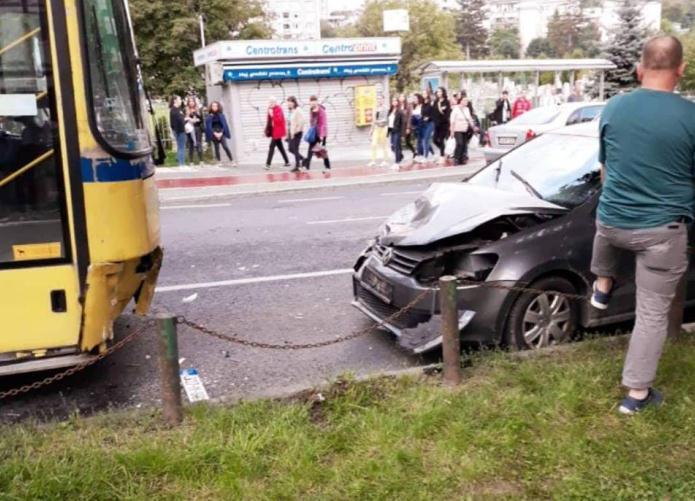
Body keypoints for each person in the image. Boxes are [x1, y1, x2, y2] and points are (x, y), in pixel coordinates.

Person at [590, 35, 695, 415]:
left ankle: (602, 283)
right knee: (651, 316)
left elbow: (606, 168)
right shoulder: (690, 117)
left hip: (612, 222)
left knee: (605, 221)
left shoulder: (615, 107)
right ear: (680, 71)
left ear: (639, 68)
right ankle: (636, 396)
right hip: (661, 234)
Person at [204, 101, 235, 166]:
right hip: (213, 132)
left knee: (225, 146)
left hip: (221, 132)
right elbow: (208, 126)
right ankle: (219, 161)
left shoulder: (221, 115)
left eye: (216, 106)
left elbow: (224, 125)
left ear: (218, 107)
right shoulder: (209, 116)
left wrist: (221, 133)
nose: (214, 107)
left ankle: (232, 160)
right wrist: (214, 133)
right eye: (213, 106)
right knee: (216, 147)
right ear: (211, 107)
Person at [304, 96, 331, 171]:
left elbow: (323, 123)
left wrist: (322, 136)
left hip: (322, 133)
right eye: (311, 101)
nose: (312, 103)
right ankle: (307, 167)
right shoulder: (311, 110)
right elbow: (312, 122)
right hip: (315, 133)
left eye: (314, 101)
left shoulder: (321, 110)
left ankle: (327, 166)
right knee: (311, 149)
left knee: (321, 150)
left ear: (317, 102)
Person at [264, 97, 290, 170]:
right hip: (273, 131)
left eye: (272, 102)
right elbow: (269, 121)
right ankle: (287, 162)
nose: (271, 103)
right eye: (270, 102)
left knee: (271, 146)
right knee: (280, 147)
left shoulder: (279, 109)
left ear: (275, 102)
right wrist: (266, 131)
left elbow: (279, 120)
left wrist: (272, 114)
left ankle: (268, 164)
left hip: (278, 131)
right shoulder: (270, 109)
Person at [450, 95, 474, 166]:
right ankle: (456, 158)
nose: (466, 102)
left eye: (467, 100)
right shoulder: (456, 109)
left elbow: (469, 118)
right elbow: (452, 121)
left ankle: (461, 159)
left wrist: (473, 126)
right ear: (460, 101)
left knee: (464, 144)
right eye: (464, 100)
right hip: (457, 129)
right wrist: (452, 131)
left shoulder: (467, 109)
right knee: (459, 143)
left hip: (465, 129)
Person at [369, 97, 390, 167]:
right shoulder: (375, 109)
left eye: (380, 99)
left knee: (384, 145)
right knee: (373, 144)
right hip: (376, 128)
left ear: (383, 100)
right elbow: (373, 120)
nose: (379, 100)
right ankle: (373, 161)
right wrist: (371, 131)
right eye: (378, 99)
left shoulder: (386, 109)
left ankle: (385, 161)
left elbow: (385, 120)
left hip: (383, 128)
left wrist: (378, 122)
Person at [285, 96, 305, 172]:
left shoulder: (298, 110)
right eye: (288, 102)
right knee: (290, 149)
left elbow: (302, 121)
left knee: (295, 149)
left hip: (297, 133)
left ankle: (297, 166)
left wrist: (297, 131)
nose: (289, 103)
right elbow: (290, 124)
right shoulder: (291, 111)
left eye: (291, 102)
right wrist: (288, 134)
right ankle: (303, 159)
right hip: (291, 133)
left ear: (294, 102)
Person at [432, 87, 451, 162]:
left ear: (443, 92)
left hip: (444, 124)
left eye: (440, 91)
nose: (438, 93)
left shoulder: (446, 102)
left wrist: (442, 111)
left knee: (441, 139)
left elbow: (447, 113)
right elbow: (433, 112)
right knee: (434, 140)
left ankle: (442, 156)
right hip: (436, 124)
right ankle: (444, 151)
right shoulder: (435, 101)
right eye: (437, 92)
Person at [184, 96, 203, 165]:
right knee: (190, 144)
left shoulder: (198, 109)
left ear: (195, 102)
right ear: (188, 103)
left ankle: (201, 161)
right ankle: (191, 161)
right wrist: (188, 119)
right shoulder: (185, 110)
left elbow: (201, 120)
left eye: (192, 101)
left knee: (198, 143)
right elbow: (184, 120)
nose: (191, 103)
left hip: (197, 128)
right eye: (190, 101)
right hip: (189, 129)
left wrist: (197, 120)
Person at [387, 97, 405, 169]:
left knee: (396, 146)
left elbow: (403, 123)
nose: (394, 102)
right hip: (391, 131)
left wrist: (402, 134)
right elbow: (389, 122)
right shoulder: (390, 111)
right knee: (392, 147)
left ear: (398, 102)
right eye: (393, 101)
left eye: (395, 101)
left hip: (397, 131)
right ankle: (400, 156)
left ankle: (397, 162)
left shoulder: (400, 111)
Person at [169, 95, 186, 167]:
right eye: (179, 99)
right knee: (182, 147)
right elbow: (177, 121)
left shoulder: (178, 109)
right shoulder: (175, 110)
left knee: (180, 146)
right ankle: (181, 164)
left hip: (179, 130)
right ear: (175, 100)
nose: (181, 100)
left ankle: (179, 159)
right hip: (179, 131)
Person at [399, 93, 416, 161]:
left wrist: (408, 127)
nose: (401, 98)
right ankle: (400, 155)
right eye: (400, 96)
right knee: (397, 141)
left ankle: (414, 151)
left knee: (407, 142)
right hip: (399, 126)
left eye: (403, 96)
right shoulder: (398, 106)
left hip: (406, 126)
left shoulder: (408, 106)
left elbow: (410, 117)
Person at [421, 89, 435, 161]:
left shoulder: (431, 103)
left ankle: (425, 157)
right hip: (424, 124)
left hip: (431, 123)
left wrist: (428, 117)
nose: (424, 95)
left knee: (425, 139)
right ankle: (433, 154)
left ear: (428, 94)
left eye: (425, 93)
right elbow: (422, 113)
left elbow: (433, 114)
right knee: (425, 140)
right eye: (423, 94)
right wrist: (423, 118)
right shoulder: (423, 103)